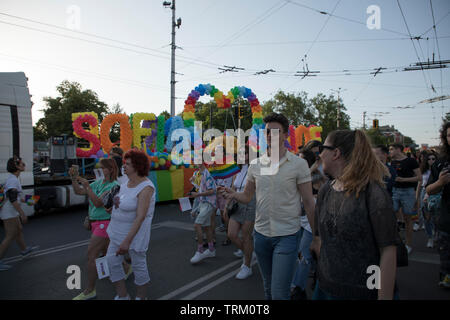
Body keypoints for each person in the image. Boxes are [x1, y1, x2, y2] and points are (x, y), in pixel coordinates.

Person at [220, 113, 315, 300]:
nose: (271, 135)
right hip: (261, 236)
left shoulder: (298, 164)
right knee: (268, 290)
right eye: (268, 132)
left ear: (285, 135)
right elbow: (247, 196)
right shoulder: (256, 165)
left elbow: (309, 202)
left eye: (276, 131)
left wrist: (317, 237)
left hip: (287, 235)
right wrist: (233, 194)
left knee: (279, 294)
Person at [311, 130, 399, 300]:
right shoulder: (325, 190)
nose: (320, 154)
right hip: (327, 288)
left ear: (336, 153)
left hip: (363, 292)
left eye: (323, 148)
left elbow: (388, 250)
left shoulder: (373, 193)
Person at [106, 149, 156, 300]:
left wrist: (127, 241)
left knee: (138, 264)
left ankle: (141, 297)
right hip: (116, 231)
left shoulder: (146, 187)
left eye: (127, 164)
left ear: (137, 166)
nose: (124, 166)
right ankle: (123, 295)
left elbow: (140, 217)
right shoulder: (124, 182)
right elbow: (120, 203)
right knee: (111, 261)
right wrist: (113, 205)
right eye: (124, 163)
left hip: (135, 235)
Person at [72, 158, 124, 300]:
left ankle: (90, 290)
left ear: (111, 169)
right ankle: (126, 268)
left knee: (91, 256)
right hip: (96, 223)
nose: (100, 169)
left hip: (105, 223)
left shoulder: (114, 186)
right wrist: (73, 178)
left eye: (103, 167)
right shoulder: (98, 183)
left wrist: (88, 187)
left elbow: (98, 203)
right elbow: (78, 191)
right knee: (108, 253)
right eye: (99, 167)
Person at [290, 147, 324, 300]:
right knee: (302, 255)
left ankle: (298, 289)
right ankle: (317, 278)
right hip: (299, 222)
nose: (297, 160)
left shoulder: (316, 176)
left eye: (301, 158)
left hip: (312, 223)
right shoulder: (296, 174)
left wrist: (313, 168)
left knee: (304, 256)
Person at [0, 156, 39, 271]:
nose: (24, 165)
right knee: (10, 235)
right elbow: (12, 199)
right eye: (21, 164)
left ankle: (24, 250)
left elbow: (17, 196)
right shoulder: (13, 180)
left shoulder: (14, 178)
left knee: (18, 230)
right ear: (15, 166)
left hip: (11, 211)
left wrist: (30, 200)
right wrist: (22, 214)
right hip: (9, 212)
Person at [225, 145, 256, 280]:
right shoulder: (238, 170)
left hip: (250, 204)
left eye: (245, 153)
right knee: (231, 234)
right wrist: (227, 204)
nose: (242, 155)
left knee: (246, 236)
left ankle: (247, 266)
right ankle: (248, 253)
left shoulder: (255, 169)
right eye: (240, 153)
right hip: (237, 204)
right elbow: (233, 188)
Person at [426, 121, 450, 288]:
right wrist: (440, 182)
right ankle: (446, 277)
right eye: (449, 135)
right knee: (446, 255)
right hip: (447, 218)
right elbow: (429, 189)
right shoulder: (441, 163)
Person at [389, 143, 421, 254]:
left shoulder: (411, 161)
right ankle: (395, 241)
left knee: (408, 219)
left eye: (392, 149)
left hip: (408, 192)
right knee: (390, 215)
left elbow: (419, 177)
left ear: (399, 150)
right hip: (395, 191)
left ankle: (408, 244)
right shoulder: (392, 162)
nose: (390, 152)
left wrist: (403, 180)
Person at [189, 162, 217, 264]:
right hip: (203, 203)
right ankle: (211, 250)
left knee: (197, 225)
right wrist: (196, 208)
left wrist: (198, 194)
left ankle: (200, 251)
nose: (195, 163)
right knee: (207, 227)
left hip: (208, 204)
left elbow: (212, 191)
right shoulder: (199, 174)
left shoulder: (207, 174)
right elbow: (201, 192)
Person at [417, 152, 437, 248]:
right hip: (424, 192)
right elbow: (419, 184)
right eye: (429, 159)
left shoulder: (439, 169)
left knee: (435, 216)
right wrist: (416, 197)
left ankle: (435, 234)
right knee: (426, 217)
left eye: (433, 159)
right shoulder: (423, 170)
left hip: (436, 193)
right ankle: (430, 237)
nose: (431, 161)